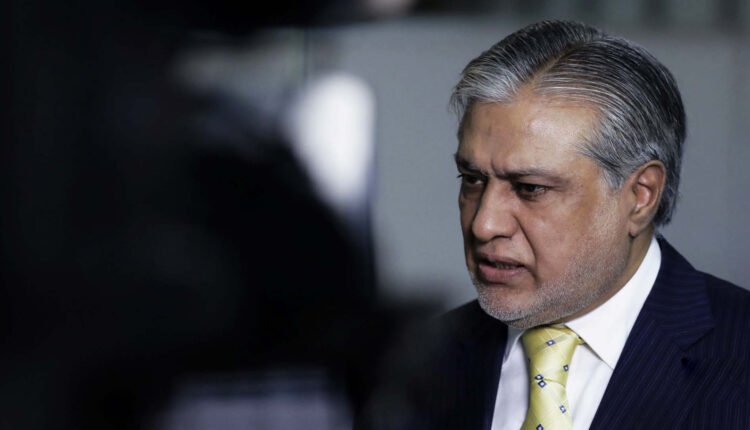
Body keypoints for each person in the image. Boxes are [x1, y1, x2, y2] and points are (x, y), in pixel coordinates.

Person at [356, 19, 750, 430]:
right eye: (472, 179)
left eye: (530, 188)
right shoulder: (408, 366)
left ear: (640, 196)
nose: (484, 224)